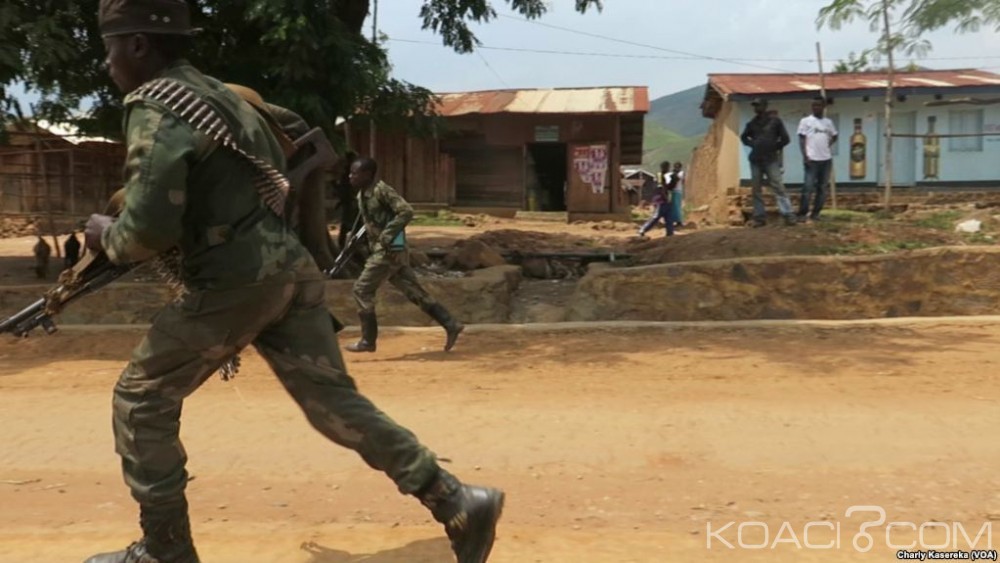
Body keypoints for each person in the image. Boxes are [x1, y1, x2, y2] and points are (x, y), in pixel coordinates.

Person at [82, 2, 504, 563]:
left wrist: (106, 235)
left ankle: (165, 551)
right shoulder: (225, 95)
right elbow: (292, 147)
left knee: (140, 400)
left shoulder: (158, 108)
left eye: (110, 47)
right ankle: (456, 499)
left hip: (234, 282)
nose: (107, 62)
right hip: (289, 269)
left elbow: (148, 231)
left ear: (138, 45)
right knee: (333, 401)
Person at [346, 157, 465, 353]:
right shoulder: (363, 195)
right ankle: (450, 323)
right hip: (391, 251)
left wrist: (388, 234)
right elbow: (372, 221)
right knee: (413, 291)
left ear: (367, 175)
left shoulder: (382, 190)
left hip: (388, 252)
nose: (351, 177)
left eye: (355, 173)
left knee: (361, 290)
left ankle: (368, 340)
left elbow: (406, 211)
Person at [740, 98, 797, 227]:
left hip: (771, 159)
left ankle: (788, 215)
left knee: (778, 186)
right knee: (756, 189)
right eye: (755, 106)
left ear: (765, 106)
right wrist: (753, 144)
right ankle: (759, 218)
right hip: (756, 160)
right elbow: (743, 137)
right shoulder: (752, 124)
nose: (756, 108)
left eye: (759, 105)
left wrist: (774, 146)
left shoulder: (775, 122)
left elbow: (786, 139)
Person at [797, 96, 838, 222]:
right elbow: (802, 139)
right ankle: (802, 214)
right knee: (808, 187)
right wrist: (805, 156)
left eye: (818, 105)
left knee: (822, 188)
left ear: (823, 106)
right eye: (814, 105)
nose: (816, 107)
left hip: (826, 160)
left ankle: (816, 214)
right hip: (811, 159)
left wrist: (827, 145)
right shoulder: (806, 121)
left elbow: (835, 135)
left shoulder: (828, 122)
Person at [637, 160, 675, 238]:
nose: (668, 168)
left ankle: (670, 233)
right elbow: (661, 188)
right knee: (656, 216)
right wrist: (665, 197)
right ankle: (643, 229)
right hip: (660, 199)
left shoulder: (665, 176)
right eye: (667, 167)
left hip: (664, 198)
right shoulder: (660, 175)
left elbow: (667, 187)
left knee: (669, 216)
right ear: (663, 167)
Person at [671, 162, 685, 228]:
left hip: (677, 191)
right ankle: (675, 220)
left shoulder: (681, 173)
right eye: (675, 167)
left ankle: (679, 221)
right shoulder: (676, 173)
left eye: (677, 167)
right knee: (674, 207)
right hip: (675, 191)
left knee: (676, 206)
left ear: (680, 167)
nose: (676, 168)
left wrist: (674, 173)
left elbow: (678, 179)